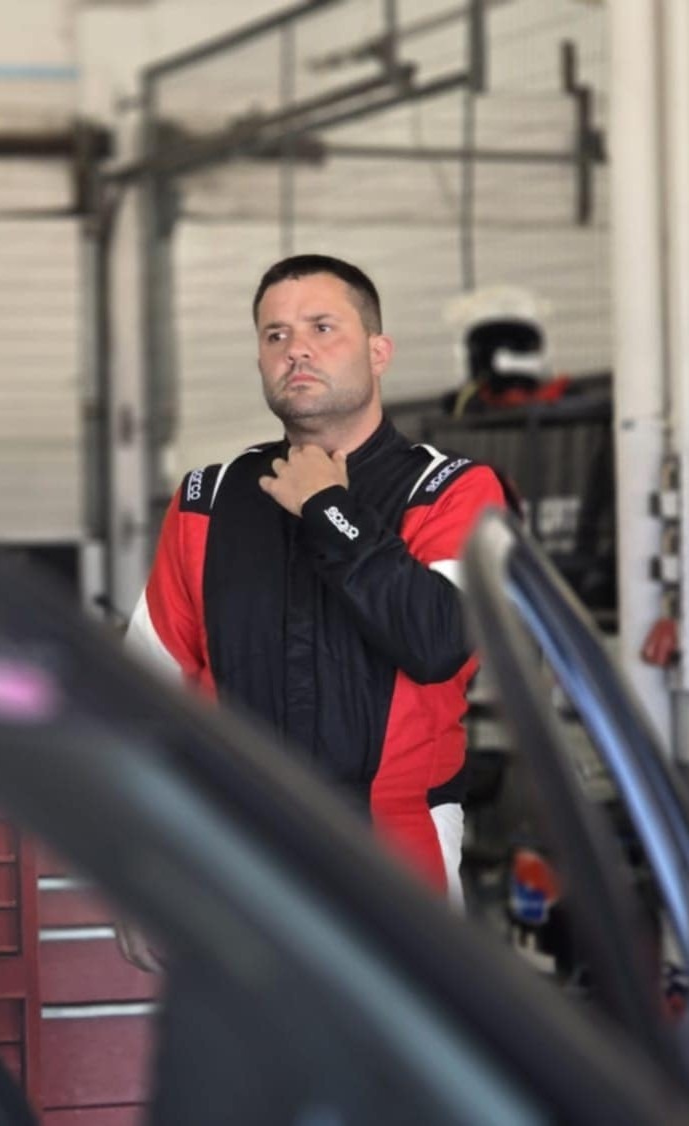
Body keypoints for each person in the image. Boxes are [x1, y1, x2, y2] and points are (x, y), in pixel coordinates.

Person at [121, 254, 506, 967]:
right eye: (275, 334)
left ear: (378, 352)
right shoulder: (209, 498)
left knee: (397, 1040)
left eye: (322, 327)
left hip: (398, 854)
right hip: (234, 848)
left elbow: (438, 639)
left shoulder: (451, 489)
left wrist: (328, 508)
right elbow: (146, 693)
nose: (295, 349)